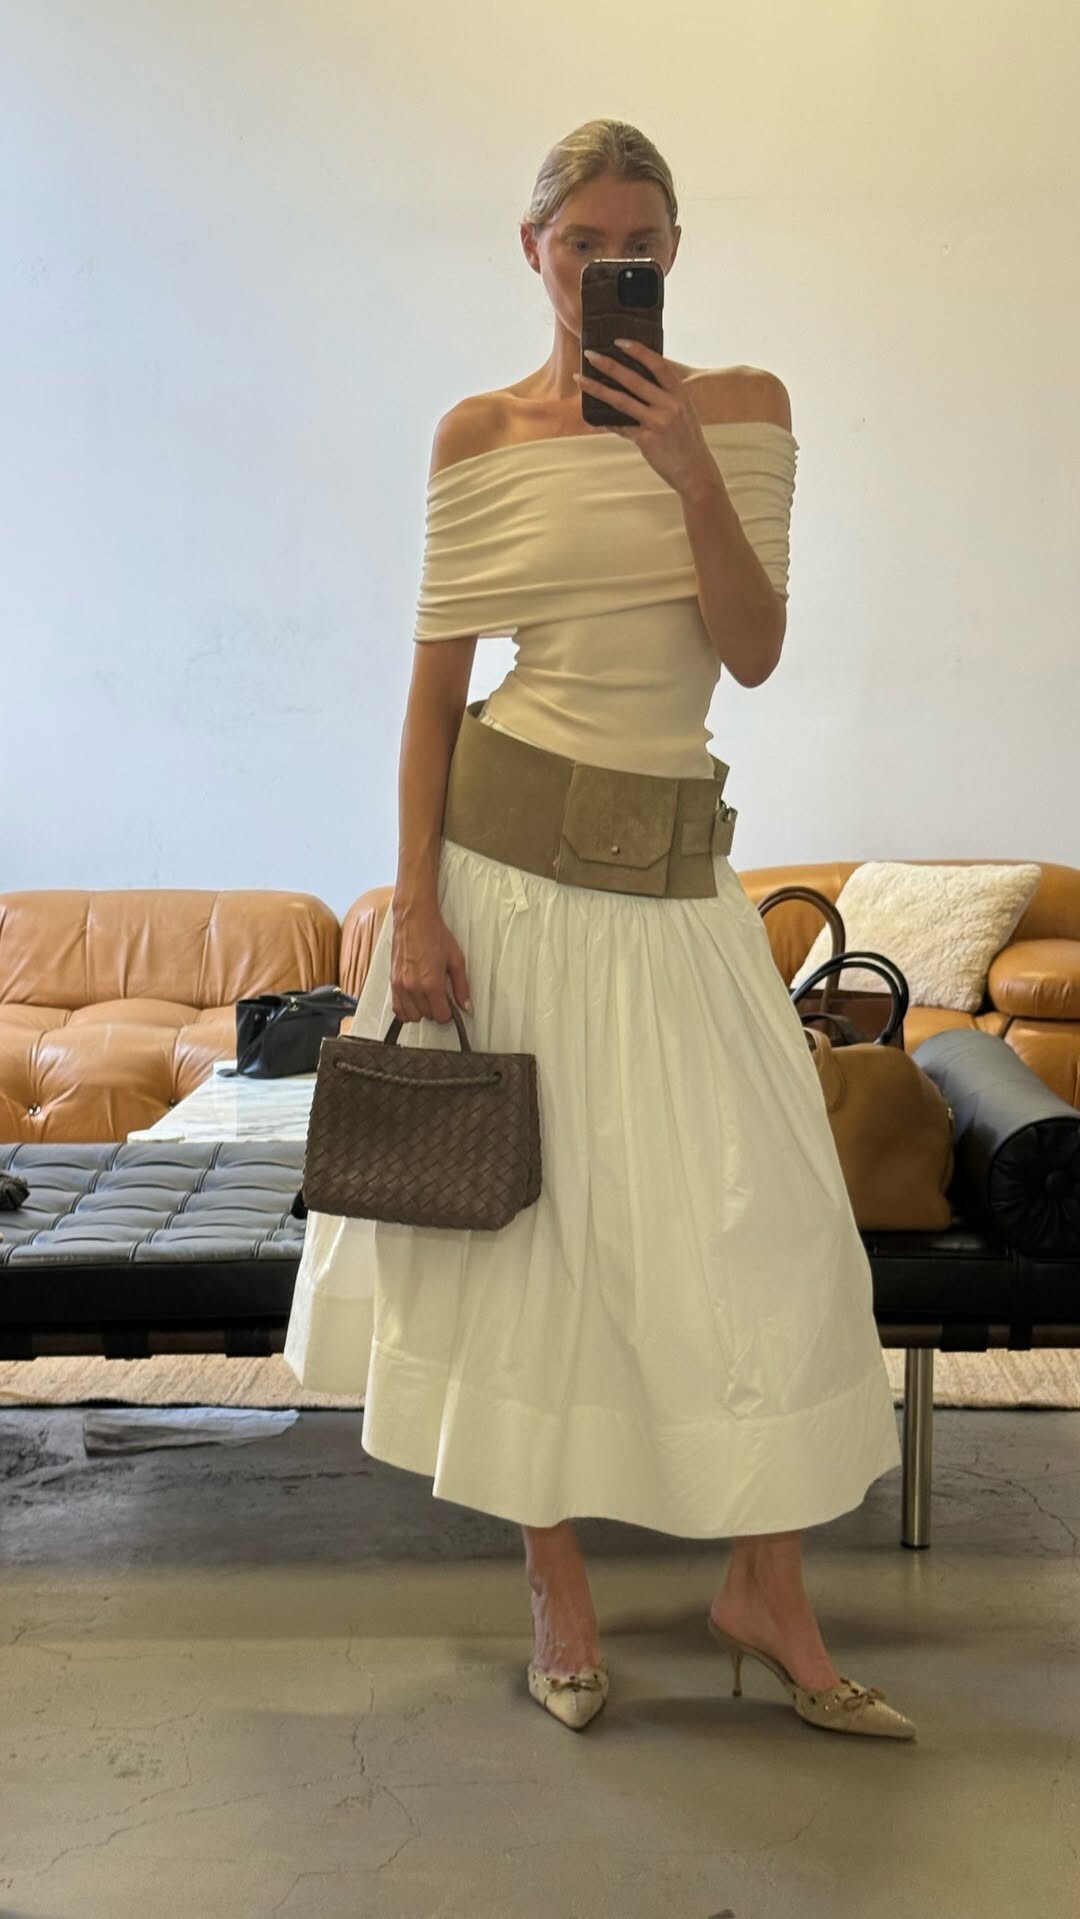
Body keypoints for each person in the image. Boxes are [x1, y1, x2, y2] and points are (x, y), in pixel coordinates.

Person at [284, 118, 915, 1742]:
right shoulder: (479, 434)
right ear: (533, 251)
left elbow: (753, 651)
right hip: (502, 879)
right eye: (582, 246)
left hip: (674, 887)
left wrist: (685, 467)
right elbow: (433, 697)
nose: (607, 269)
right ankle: (554, 1588)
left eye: (638, 246)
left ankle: (765, 1590)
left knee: (772, 1239)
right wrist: (414, 905)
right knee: (530, 1257)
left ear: (673, 254)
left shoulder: (745, 412)